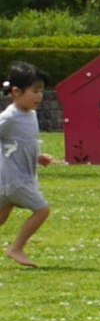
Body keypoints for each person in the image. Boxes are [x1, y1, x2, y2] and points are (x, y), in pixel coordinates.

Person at [1, 65, 51, 268]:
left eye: (41, 91)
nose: (39, 96)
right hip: (15, 179)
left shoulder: (29, 114)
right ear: (16, 92)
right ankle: (16, 248)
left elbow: (22, 143)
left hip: (15, 178)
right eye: (35, 91)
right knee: (42, 210)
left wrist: (38, 157)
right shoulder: (9, 117)